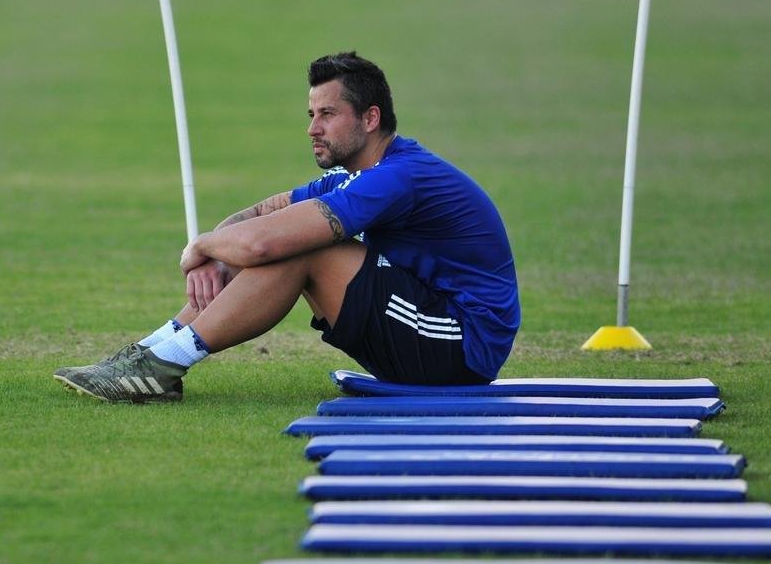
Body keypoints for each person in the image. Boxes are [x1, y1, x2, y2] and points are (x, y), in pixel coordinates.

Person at [55, 51, 519, 403]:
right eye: (311, 115)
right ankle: (150, 354)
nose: (313, 128)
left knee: (305, 247)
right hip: (425, 325)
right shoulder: (355, 174)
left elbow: (262, 243)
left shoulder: (398, 177)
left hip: (461, 345)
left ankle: (162, 366)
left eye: (328, 115)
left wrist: (202, 245)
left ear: (370, 117)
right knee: (286, 236)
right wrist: (216, 252)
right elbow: (264, 214)